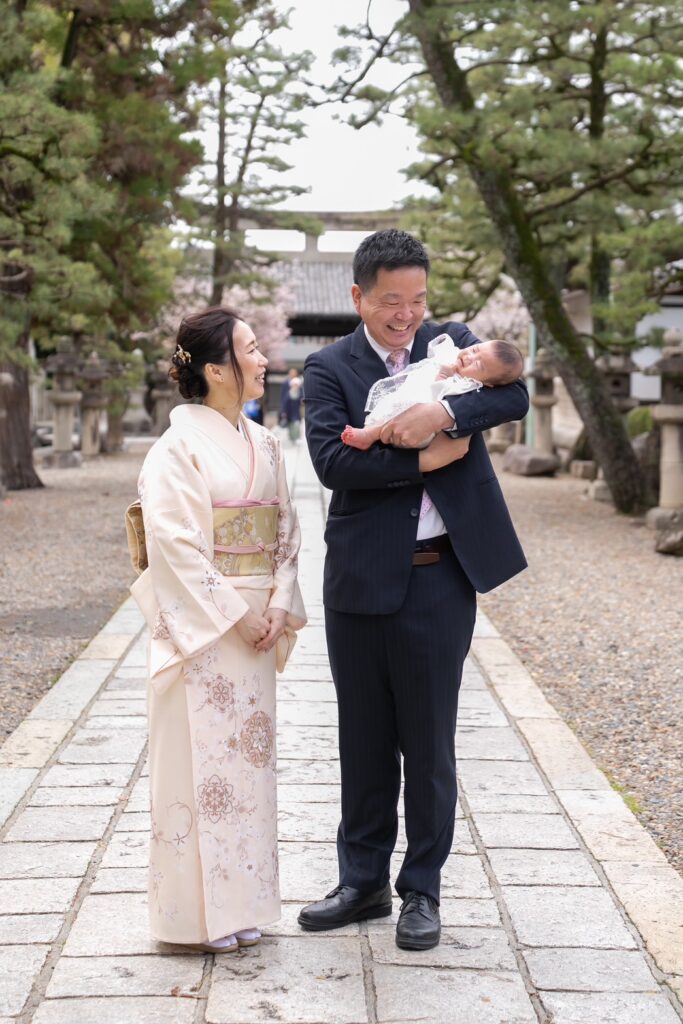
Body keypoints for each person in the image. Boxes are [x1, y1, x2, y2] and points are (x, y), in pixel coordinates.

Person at [300, 230, 528, 951]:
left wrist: (446, 415)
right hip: (360, 576)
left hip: (439, 577)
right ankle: (361, 881)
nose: (407, 315)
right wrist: (426, 460)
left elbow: (515, 393)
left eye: (418, 300)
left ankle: (421, 889)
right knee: (363, 738)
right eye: (391, 301)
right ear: (358, 296)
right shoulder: (327, 366)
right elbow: (332, 462)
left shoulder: (452, 344)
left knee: (428, 742)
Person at [130, 307, 306, 953]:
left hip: (256, 625)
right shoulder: (175, 449)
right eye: (250, 349)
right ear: (215, 370)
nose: (262, 359)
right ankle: (192, 920)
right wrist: (239, 613)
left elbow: (285, 530)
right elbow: (173, 544)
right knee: (197, 769)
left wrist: (279, 603)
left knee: (248, 767)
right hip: (205, 631)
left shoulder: (265, 443)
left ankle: (243, 905)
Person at [341, 335, 524, 450]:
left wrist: (443, 379)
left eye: (477, 365)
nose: (469, 357)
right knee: (390, 408)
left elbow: (437, 394)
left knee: (400, 415)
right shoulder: (456, 352)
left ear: (488, 384)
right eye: (475, 349)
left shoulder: (467, 385)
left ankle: (369, 435)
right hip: (409, 397)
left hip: (420, 428)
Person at [280, 367, 303, 442]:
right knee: (290, 424)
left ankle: (296, 437)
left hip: (296, 410)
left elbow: (302, 397)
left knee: (296, 424)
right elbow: (283, 398)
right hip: (289, 410)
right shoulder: (285, 384)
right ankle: (292, 437)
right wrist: (283, 411)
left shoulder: (299, 386)